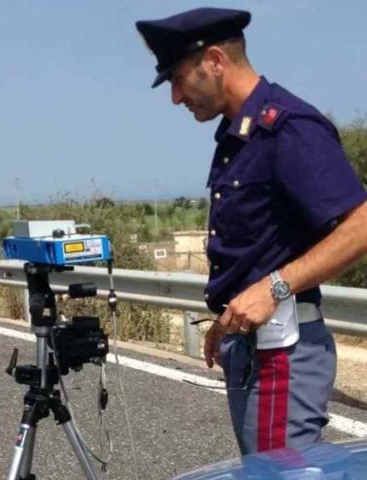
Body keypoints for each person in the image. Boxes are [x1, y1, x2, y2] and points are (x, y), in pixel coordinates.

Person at [136, 7, 367, 455]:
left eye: (179, 79)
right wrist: (229, 320)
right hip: (254, 347)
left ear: (216, 61)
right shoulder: (236, 135)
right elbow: (259, 244)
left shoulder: (288, 129)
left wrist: (274, 288)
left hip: (283, 353)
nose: (176, 98)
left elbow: (361, 224)